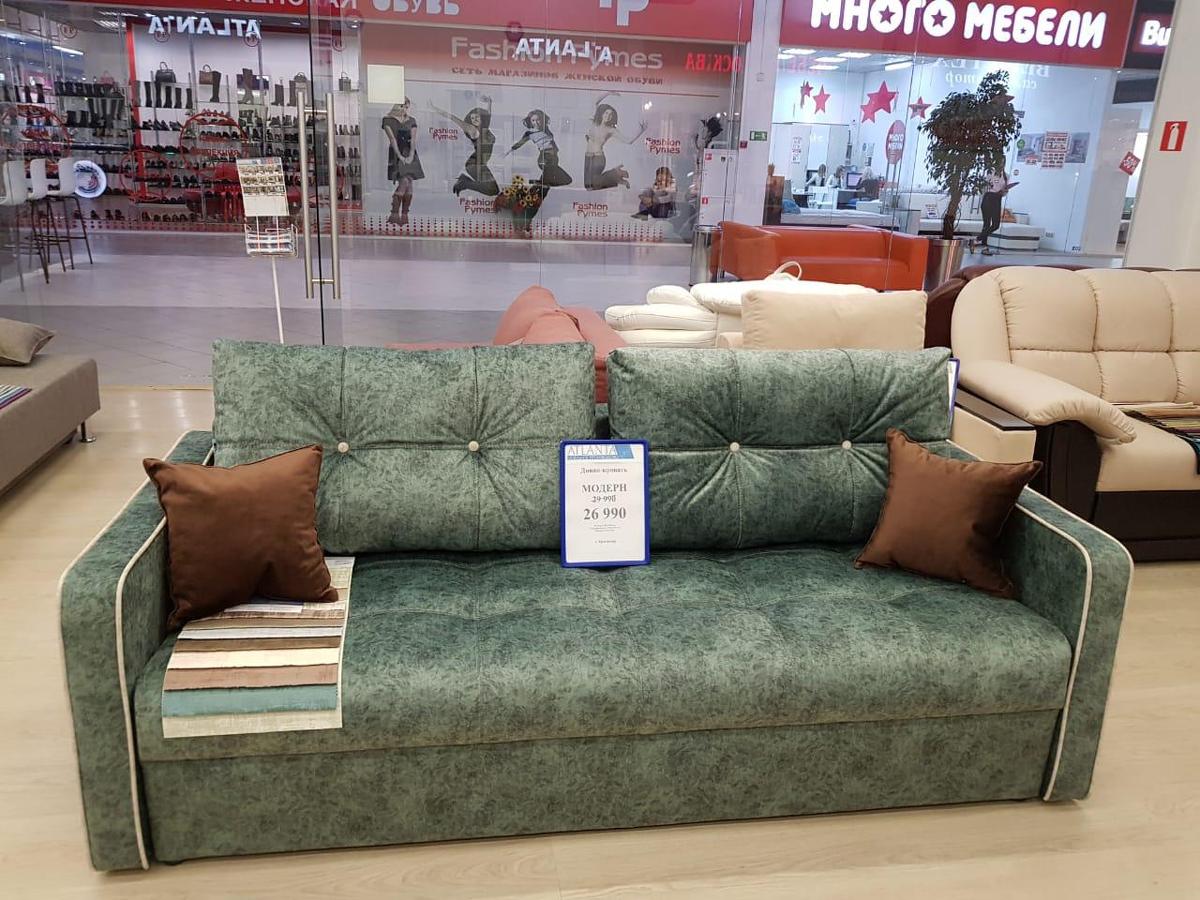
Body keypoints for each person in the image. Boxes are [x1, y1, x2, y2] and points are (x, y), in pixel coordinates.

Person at [429, 95, 498, 197]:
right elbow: (452, 117)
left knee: (494, 190)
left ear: (481, 117)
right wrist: (434, 108)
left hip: (481, 164)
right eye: (472, 118)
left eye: (477, 117)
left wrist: (489, 102)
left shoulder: (485, 127)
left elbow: (488, 113)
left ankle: (465, 181)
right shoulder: (471, 129)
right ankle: (465, 183)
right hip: (474, 164)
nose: (474, 119)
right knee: (492, 190)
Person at [584, 92, 646, 190]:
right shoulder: (593, 122)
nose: (608, 116)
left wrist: (640, 131)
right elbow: (595, 102)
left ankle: (615, 174)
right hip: (587, 157)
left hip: (598, 158)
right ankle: (616, 175)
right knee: (588, 186)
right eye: (606, 113)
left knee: (591, 185)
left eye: (611, 115)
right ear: (602, 113)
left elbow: (628, 141)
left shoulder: (611, 130)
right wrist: (608, 93)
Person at [381, 98, 424, 226]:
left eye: (406, 106)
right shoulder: (387, 120)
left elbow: (413, 140)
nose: (404, 109)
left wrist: (410, 155)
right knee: (404, 181)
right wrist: (399, 156)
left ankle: (404, 216)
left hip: (410, 152)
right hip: (396, 153)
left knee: (409, 184)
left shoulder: (412, 120)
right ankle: (395, 214)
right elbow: (392, 139)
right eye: (401, 106)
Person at [508, 109, 572, 187]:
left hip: (553, 157)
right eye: (533, 120)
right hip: (545, 158)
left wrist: (556, 151)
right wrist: (509, 151)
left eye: (538, 120)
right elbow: (520, 143)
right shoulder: (530, 133)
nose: (536, 122)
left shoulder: (546, 130)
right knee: (564, 180)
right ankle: (538, 183)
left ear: (542, 120)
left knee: (560, 180)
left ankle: (538, 182)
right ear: (530, 122)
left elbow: (552, 142)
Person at [977, 169, 1011, 255]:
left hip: (998, 198)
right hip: (988, 197)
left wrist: (1005, 191)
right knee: (986, 224)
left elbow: (1005, 193)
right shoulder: (990, 173)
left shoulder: (1006, 176)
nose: (1000, 165)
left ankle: (977, 239)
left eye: (1002, 163)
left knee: (996, 225)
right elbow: (983, 187)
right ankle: (984, 247)